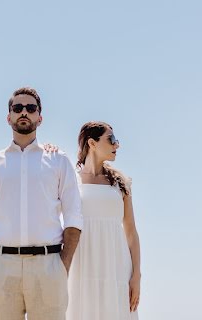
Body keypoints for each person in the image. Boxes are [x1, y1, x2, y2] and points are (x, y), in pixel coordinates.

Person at [0, 87, 83, 320]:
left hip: (49, 266)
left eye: (31, 108)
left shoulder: (58, 160)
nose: (24, 112)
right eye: (17, 108)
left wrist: (63, 266)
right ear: (8, 116)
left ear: (40, 118)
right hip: (0, 268)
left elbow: (73, 215)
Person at [66, 122, 141, 320]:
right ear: (92, 143)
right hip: (81, 266)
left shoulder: (120, 183)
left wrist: (136, 276)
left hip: (116, 267)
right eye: (112, 140)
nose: (117, 145)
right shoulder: (70, 181)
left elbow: (131, 232)